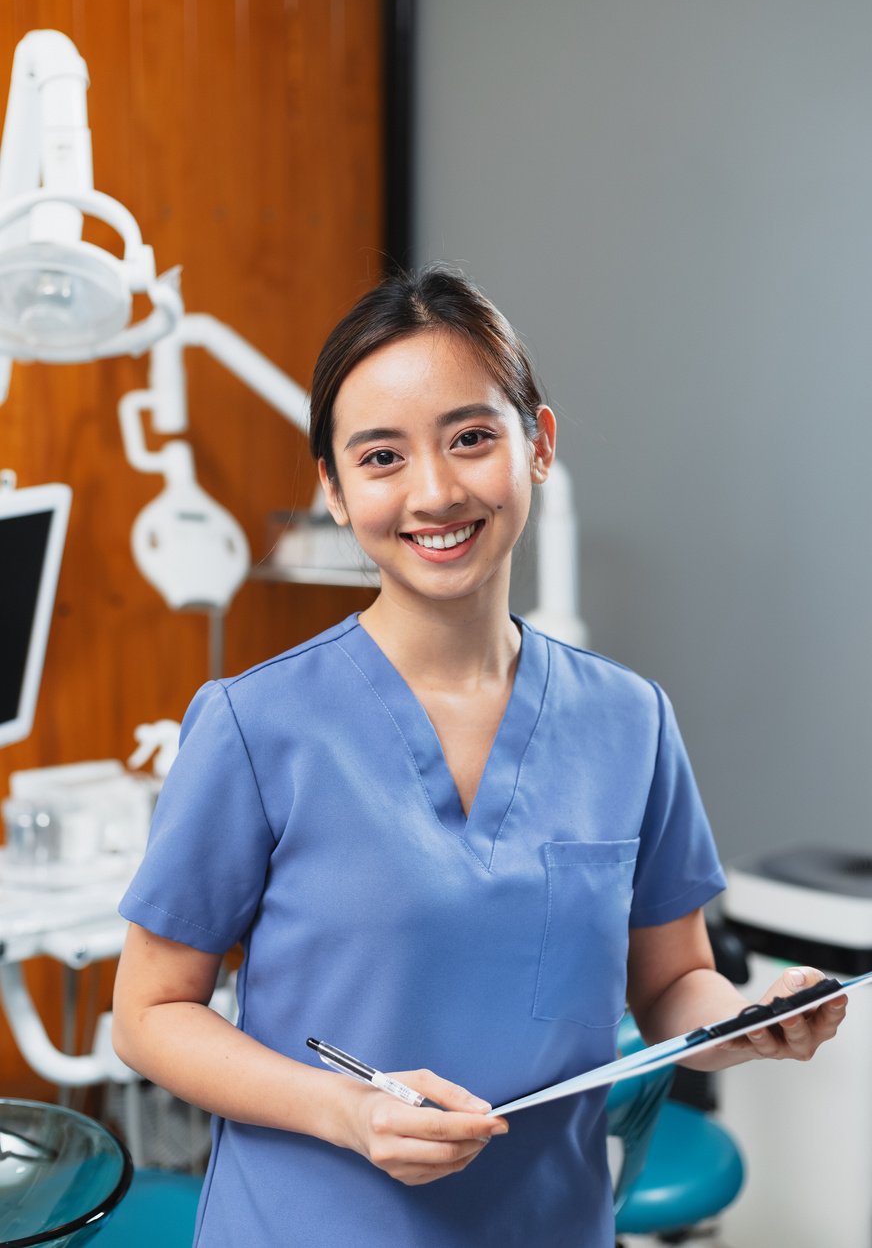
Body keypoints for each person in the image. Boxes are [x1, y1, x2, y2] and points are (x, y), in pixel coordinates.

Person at [113, 266, 847, 1247]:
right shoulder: (256, 726)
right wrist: (345, 1112)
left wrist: (741, 1022)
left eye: (470, 437)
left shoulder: (628, 721)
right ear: (332, 490)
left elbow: (672, 983)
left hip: (546, 1223)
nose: (434, 490)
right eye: (380, 458)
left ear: (536, 445)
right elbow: (151, 1013)